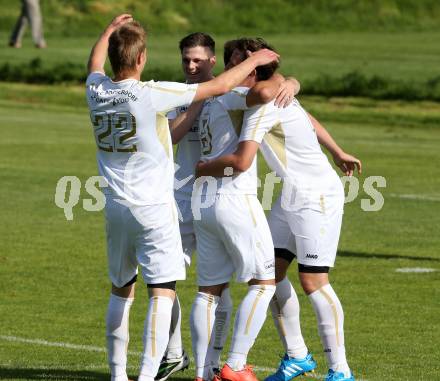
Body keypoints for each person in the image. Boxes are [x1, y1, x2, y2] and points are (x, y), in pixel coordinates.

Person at [85, 15, 279, 381]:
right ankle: (147, 374)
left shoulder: (95, 90)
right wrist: (255, 61)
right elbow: (220, 86)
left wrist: (108, 31)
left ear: (112, 56)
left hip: (113, 207)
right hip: (155, 208)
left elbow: (93, 65)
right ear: (141, 58)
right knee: (162, 292)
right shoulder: (149, 93)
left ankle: (117, 375)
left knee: (121, 291)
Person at [196, 38, 361, 381]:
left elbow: (266, 110)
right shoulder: (261, 93)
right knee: (271, 273)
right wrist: (337, 149)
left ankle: (340, 370)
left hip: (316, 195)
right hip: (291, 195)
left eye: (240, 64)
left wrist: (203, 167)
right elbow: (298, 107)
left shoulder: (261, 98)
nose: (234, 71)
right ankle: (298, 354)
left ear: (251, 68)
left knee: (313, 280)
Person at [186, 48, 300, 381]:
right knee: (264, 284)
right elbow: (265, 91)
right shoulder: (234, 93)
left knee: (208, 291)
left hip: (203, 201)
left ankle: (203, 373)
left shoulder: (209, 98)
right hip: (233, 196)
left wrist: (289, 79)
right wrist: (285, 78)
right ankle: (235, 365)